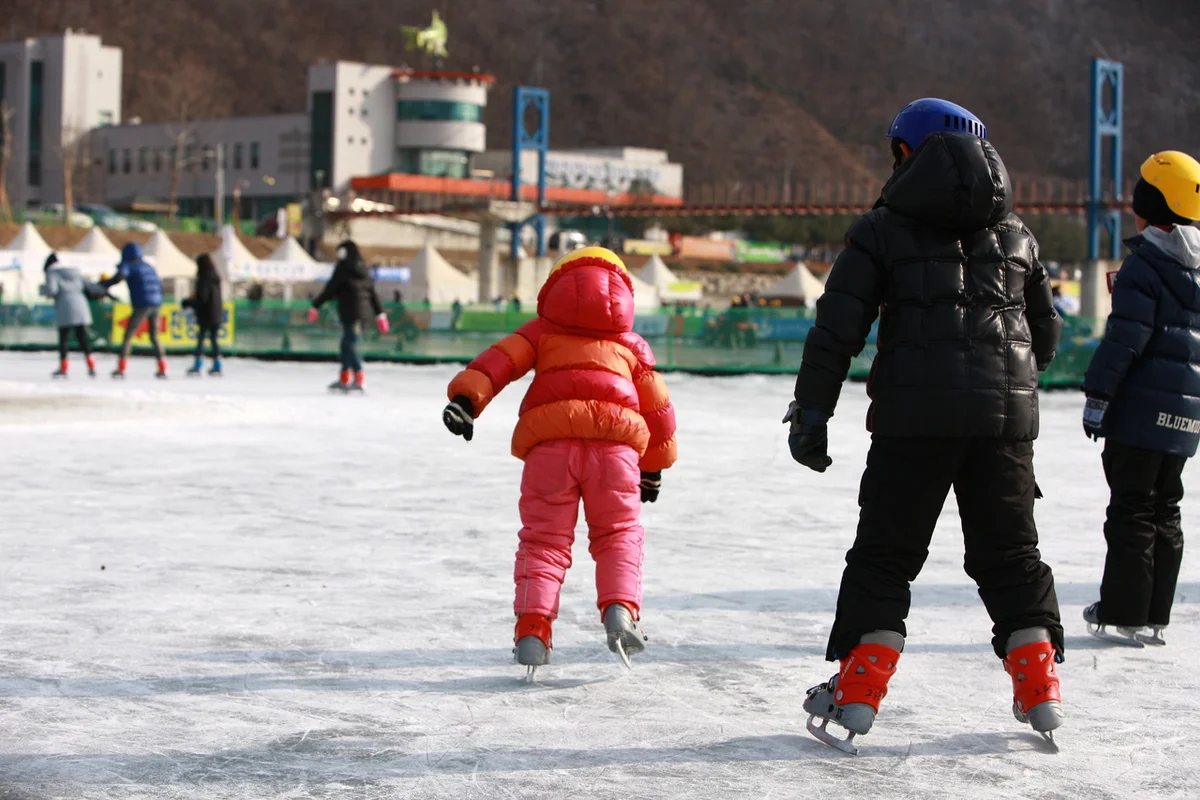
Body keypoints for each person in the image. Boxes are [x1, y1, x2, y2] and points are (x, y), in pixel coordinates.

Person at [787, 98, 1064, 752]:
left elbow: (836, 331)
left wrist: (812, 410)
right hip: (1005, 423)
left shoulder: (881, 230)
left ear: (907, 154)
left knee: (886, 554)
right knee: (1010, 555)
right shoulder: (1017, 234)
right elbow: (1044, 334)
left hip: (913, 422)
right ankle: (1039, 684)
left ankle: (858, 689)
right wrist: (1005, 385)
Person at [441, 247, 677, 677]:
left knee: (543, 541)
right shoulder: (631, 345)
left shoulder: (540, 331)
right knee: (618, 533)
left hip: (551, 447)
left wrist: (465, 401)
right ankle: (621, 610)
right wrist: (654, 466)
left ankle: (533, 630)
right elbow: (657, 407)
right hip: (616, 450)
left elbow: (500, 361)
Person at [1080, 151, 1200, 648]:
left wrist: (1098, 395)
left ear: (1147, 205)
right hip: (1185, 417)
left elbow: (1125, 340)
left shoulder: (1145, 265)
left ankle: (1125, 610)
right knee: (1165, 507)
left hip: (1140, 415)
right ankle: (1155, 613)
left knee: (1130, 507)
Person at [308, 240, 387, 392]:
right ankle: (345, 378)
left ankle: (359, 378)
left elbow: (330, 289)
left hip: (352, 314)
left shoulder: (343, 269)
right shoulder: (363, 270)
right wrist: (380, 314)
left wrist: (316, 305)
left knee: (351, 346)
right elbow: (372, 294)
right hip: (361, 315)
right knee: (346, 345)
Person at [102, 242, 166, 379]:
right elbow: (159, 284)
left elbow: (119, 277)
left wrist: (104, 285)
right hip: (157, 303)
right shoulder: (148, 265)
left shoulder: (129, 265)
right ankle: (162, 367)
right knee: (154, 336)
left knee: (129, 334)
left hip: (142, 304)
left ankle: (121, 367)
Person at [40, 253, 108, 378]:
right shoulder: (76, 272)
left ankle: (64, 368)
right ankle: (91, 365)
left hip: (65, 308)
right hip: (81, 307)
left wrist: (42, 290)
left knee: (64, 340)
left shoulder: (52, 272)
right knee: (82, 338)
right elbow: (90, 286)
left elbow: (52, 290)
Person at [181, 254, 224, 376]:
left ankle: (198, 365)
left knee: (201, 340)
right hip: (217, 313)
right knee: (214, 340)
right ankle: (217, 364)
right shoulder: (216, 277)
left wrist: (188, 302)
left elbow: (202, 298)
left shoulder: (204, 278)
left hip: (206, 314)